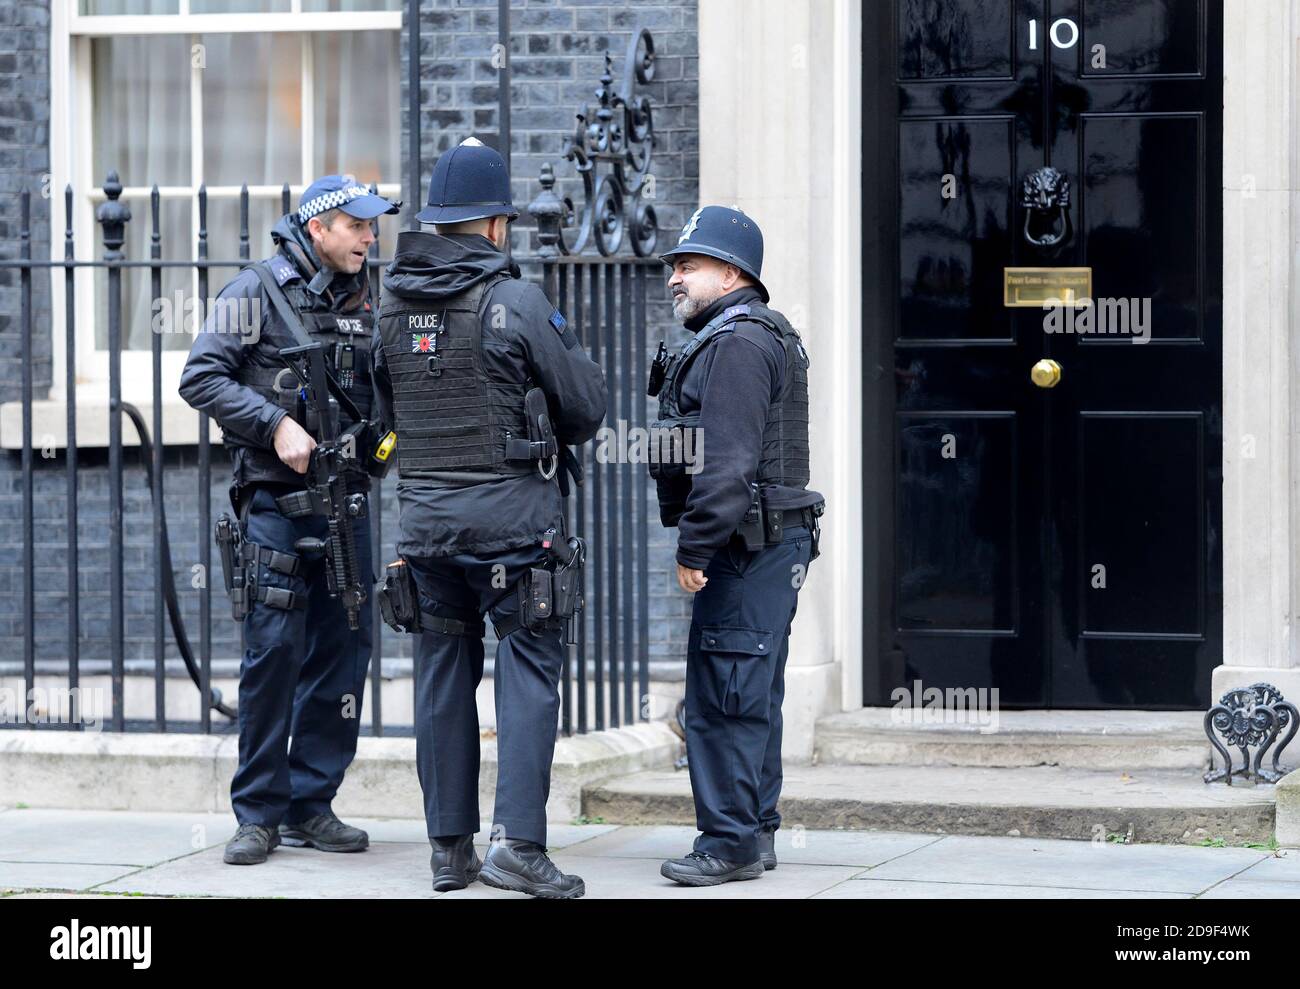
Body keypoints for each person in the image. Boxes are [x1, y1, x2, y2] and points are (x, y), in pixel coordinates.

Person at [372, 138, 606, 899]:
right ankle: (521, 846)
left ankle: (450, 852)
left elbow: (383, 417)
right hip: (516, 530)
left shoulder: (391, 310)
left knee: (441, 678)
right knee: (528, 675)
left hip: (427, 532)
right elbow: (585, 407)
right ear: (498, 224)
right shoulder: (517, 302)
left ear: (439, 222)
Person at [179, 175, 400, 865]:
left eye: (373, 226)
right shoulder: (257, 290)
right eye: (358, 226)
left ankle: (312, 801)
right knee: (274, 651)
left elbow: (386, 393)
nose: (371, 237)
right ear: (318, 228)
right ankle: (259, 811)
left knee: (344, 650)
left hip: (349, 498)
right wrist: (273, 424)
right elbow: (201, 376)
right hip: (276, 502)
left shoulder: (370, 297)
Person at [647, 205, 825, 886]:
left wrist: (694, 549)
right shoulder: (740, 335)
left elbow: (725, 466)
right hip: (762, 545)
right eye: (674, 265)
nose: (674, 277)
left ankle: (728, 843)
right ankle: (754, 831)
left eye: (688, 265)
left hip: (745, 548)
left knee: (724, 696)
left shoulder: (739, 344)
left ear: (730, 272)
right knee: (748, 690)